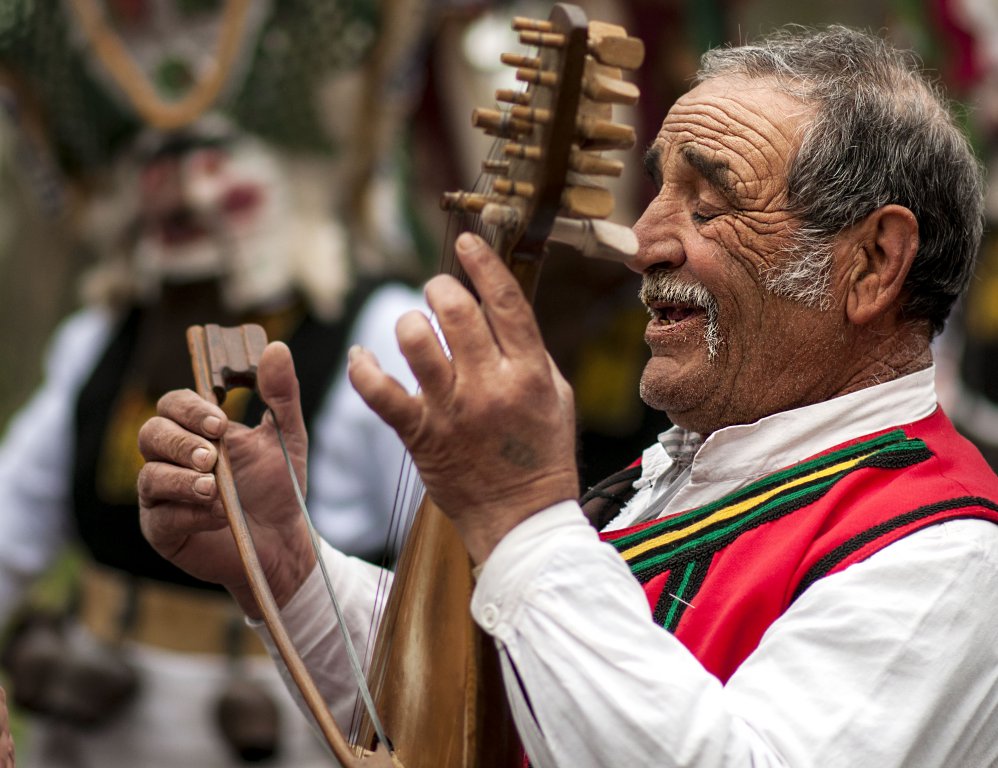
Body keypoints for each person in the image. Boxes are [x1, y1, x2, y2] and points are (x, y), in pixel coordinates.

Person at [136, 25, 998, 767]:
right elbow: (483, 719)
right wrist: (288, 564)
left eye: (710, 204)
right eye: (658, 188)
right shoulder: (684, 472)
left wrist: (524, 519)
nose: (644, 240)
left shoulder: (950, 555)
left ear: (875, 262)